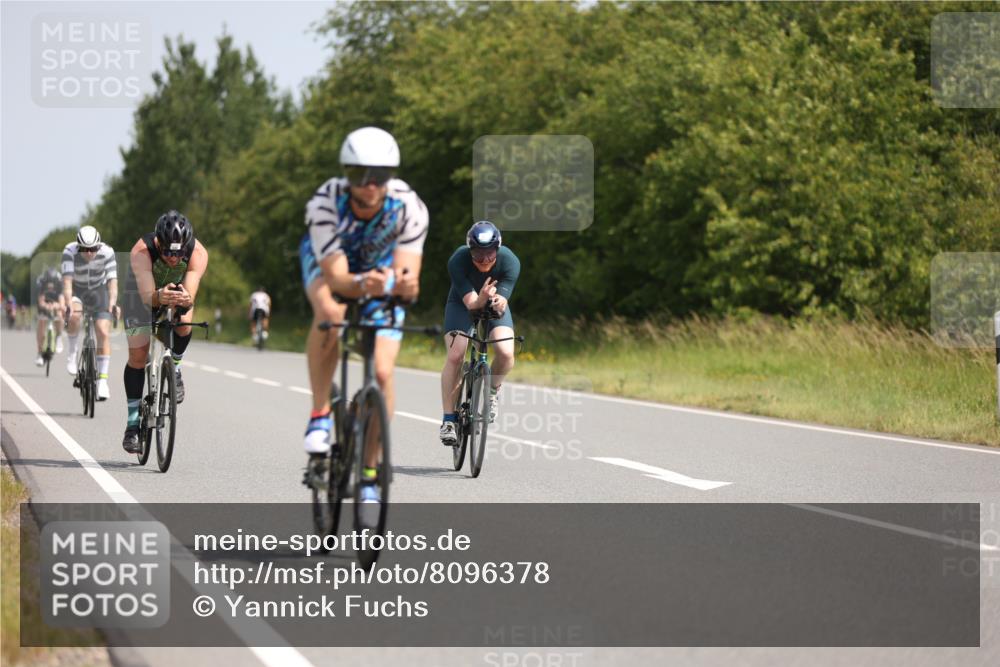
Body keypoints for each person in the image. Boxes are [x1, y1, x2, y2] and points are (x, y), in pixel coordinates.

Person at [299, 126, 428, 505]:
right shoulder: (326, 201)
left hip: (379, 271)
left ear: (392, 177)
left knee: (384, 373)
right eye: (359, 175)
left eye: (379, 176)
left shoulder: (410, 207)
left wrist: (405, 286)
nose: (369, 185)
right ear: (346, 174)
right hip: (331, 263)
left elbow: (409, 275)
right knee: (330, 311)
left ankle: (370, 472)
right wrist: (362, 284)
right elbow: (338, 277)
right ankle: (320, 414)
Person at [120, 211, 208, 453]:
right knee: (138, 355)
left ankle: (176, 367)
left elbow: (189, 294)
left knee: (185, 318)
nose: (173, 257)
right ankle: (132, 423)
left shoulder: (197, 253)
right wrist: (159, 296)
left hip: (176, 290)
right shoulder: (142, 251)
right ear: (158, 242)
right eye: (168, 251)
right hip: (140, 294)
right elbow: (149, 296)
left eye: (178, 253)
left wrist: (182, 300)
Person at [439, 221, 520, 446]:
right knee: (456, 355)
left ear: (498, 248)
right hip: (462, 303)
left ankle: (492, 392)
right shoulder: (458, 260)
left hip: (492, 303)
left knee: (505, 352)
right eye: (478, 254)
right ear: (469, 250)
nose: (484, 259)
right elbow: (473, 305)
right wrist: (482, 297)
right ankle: (448, 419)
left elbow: (503, 302)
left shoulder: (510, 261)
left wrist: (497, 302)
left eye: (490, 253)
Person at [62, 225, 119, 399]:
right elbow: (67, 283)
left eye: (93, 248)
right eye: (85, 249)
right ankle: (72, 352)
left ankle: (102, 382)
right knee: (74, 315)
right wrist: (68, 304)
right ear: (78, 246)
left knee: (102, 330)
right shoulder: (69, 251)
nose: (89, 253)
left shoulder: (108, 252)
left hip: (98, 290)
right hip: (77, 289)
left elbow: (112, 282)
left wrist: (112, 304)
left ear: (99, 245)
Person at [34, 268, 66, 365]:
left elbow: (62, 302)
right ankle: (39, 353)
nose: (51, 287)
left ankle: (59, 336)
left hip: (55, 304)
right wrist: (46, 306)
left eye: (53, 285)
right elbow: (41, 301)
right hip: (45, 305)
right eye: (49, 285)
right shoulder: (42, 284)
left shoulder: (59, 285)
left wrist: (56, 306)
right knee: (41, 322)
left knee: (60, 315)